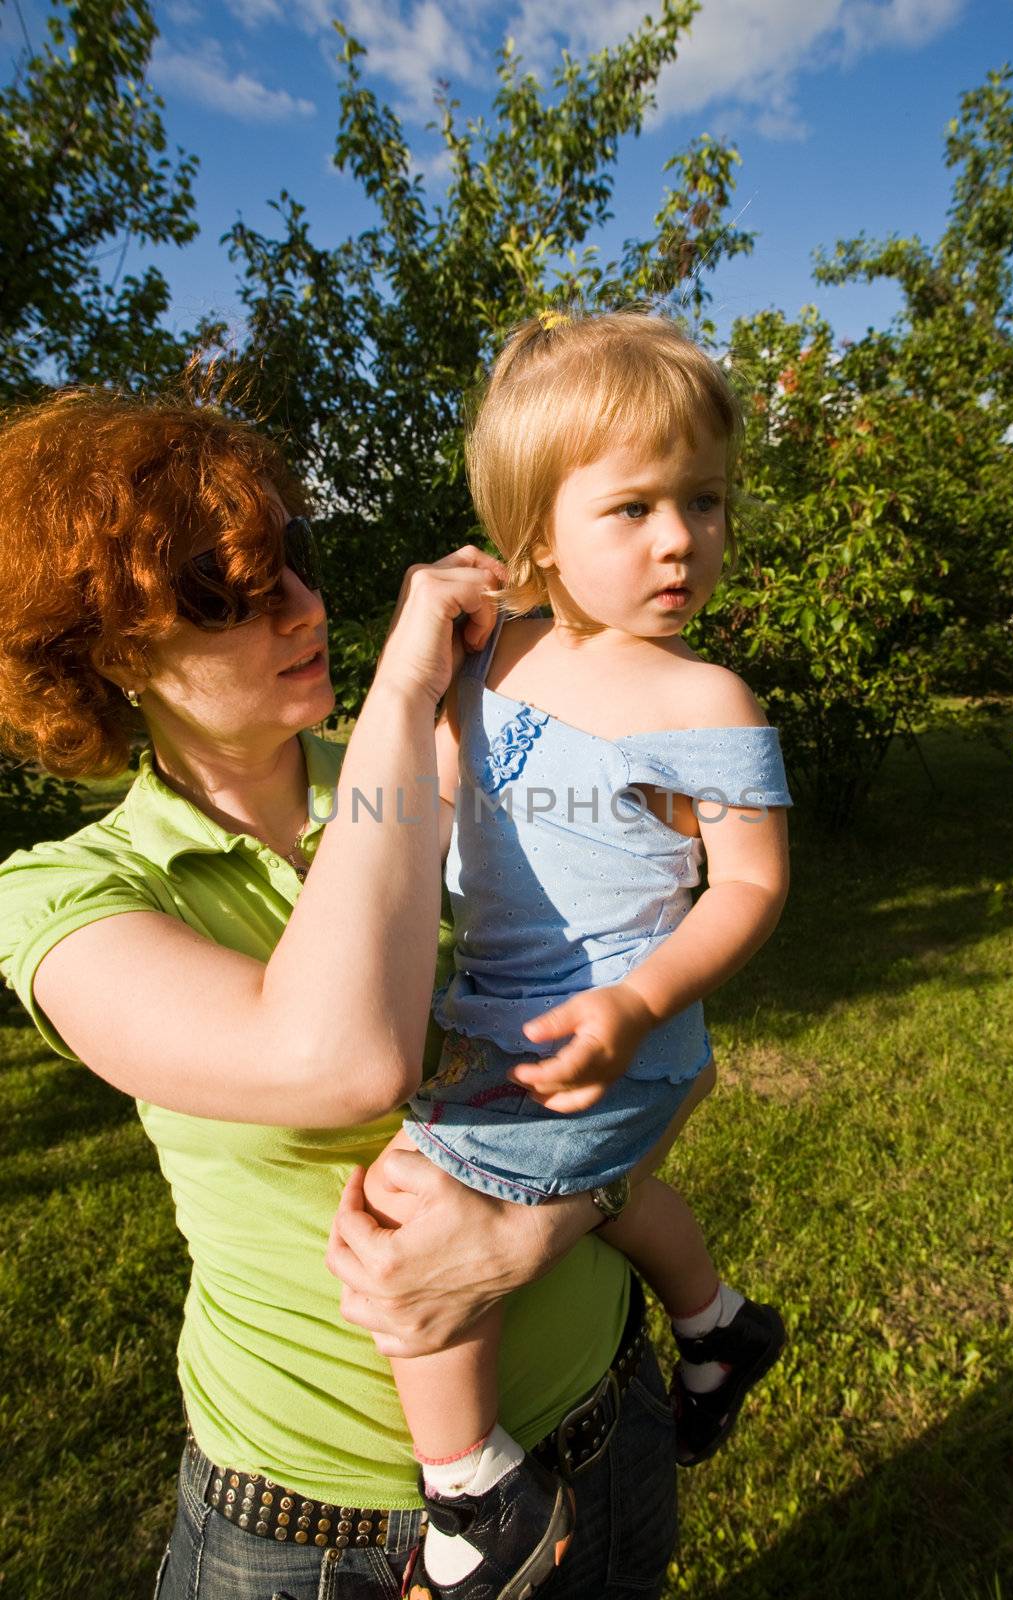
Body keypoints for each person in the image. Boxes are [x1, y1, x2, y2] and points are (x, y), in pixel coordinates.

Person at [0, 387, 681, 1600]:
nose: (307, 608)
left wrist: (540, 1223)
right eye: (232, 592)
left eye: (295, 562)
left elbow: (665, 1024)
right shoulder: (60, 897)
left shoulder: (454, 770)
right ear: (110, 652)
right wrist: (406, 700)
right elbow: (339, 1056)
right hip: (313, 1532)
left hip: (601, 1415)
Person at [356, 310, 794, 1600]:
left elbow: (753, 884)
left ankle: (474, 1495)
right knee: (596, 1202)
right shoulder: (496, 649)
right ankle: (717, 1329)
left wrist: (638, 998)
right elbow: (450, 783)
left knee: (409, 1208)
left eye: (703, 501)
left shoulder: (700, 698)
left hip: (614, 1028)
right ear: (537, 530)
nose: (680, 539)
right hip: (510, 1012)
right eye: (635, 507)